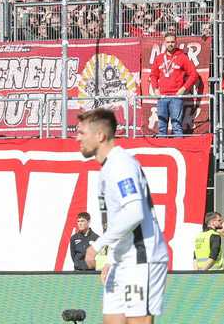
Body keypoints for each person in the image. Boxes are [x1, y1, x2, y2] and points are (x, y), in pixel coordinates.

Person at [78, 107, 169, 324]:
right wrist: (111, 257)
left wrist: (98, 245)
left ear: (100, 136)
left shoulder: (121, 164)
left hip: (141, 259)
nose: (77, 138)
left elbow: (134, 212)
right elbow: (117, 220)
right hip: (121, 259)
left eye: (82, 133)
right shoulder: (107, 168)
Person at [146, 33, 198, 137]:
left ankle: (178, 151)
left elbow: (194, 74)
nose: (170, 44)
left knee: (177, 127)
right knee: (161, 128)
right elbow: (153, 75)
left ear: (176, 42)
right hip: (162, 97)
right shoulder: (159, 58)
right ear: (164, 43)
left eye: (172, 42)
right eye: (168, 42)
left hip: (176, 97)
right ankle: (162, 152)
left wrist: (183, 89)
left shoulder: (182, 57)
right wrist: (155, 89)